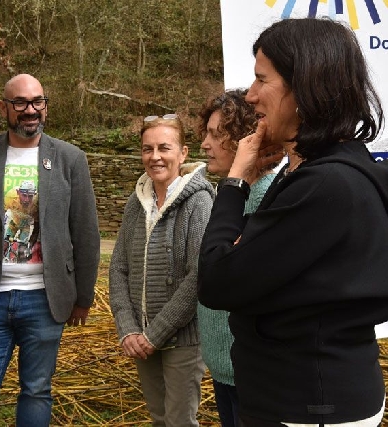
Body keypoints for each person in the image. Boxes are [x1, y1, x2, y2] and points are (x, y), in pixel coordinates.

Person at [197, 18, 388, 426]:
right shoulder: (330, 171)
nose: (249, 96)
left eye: (260, 80)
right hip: (305, 397)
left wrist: (235, 184)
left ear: (304, 88)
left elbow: (217, 281)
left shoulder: (326, 185)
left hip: (309, 405)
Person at [0, 73, 101, 426]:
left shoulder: (70, 158)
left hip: (45, 300)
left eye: (37, 102)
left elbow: (86, 232)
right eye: (20, 103)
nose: (30, 110)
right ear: (4, 107)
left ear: (45, 106)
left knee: (36, 391)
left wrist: (83, 297)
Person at [109, 113, 214, 426]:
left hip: (183, 340)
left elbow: (199, 276)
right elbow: (118, 268)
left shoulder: (199, 202)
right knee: (158, 418)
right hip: (141, 337)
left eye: (164, 148)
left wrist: (154, 334)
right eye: (147, 149)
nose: (155, 157)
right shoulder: (136, 202)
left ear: (182, 153)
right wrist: (128, 328)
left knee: (180, 421)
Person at [197, 89, 279, 427]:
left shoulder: (269, 199)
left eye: (217, 135)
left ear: (248, 141)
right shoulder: (228, 195)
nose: (204, 144)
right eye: (206, 133)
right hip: (224, 367)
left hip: (254, 375)